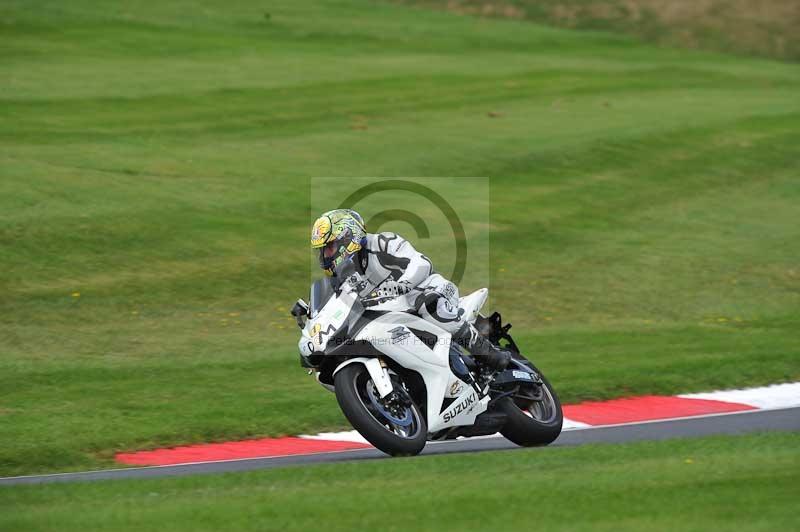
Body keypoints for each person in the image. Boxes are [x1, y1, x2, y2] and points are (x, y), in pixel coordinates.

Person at [310, 208, 511, 373]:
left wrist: (402, 285)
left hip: (429, 290)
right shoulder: (344, 275)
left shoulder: (382, 242)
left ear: (347, 236)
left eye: (329, 247)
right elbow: (340, 305)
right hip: (391, 315)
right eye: (322, 251)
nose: (325, 256)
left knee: (428, 303)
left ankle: (488, 353)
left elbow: (421, 263)